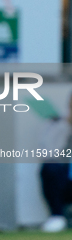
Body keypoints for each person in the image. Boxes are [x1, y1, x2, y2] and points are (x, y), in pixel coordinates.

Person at [40, 95, 72, 232]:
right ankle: (57, 216)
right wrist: (66, 127)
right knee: (50, 168)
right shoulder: (58, 123)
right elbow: (47, 153)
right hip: (67, 178)